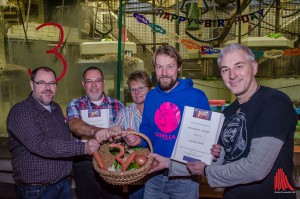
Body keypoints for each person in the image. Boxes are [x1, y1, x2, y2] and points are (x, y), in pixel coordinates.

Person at [150, 44, 298, 199]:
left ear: (254, 67)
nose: (232, 75)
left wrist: (206, 171)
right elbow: (216, 160)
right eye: (225, 69)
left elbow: (255, 169)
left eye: (238, 66)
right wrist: (168, 164)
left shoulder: (274, 102)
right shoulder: (228, 113)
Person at [126, 45, 218, 199]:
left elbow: (206, 135)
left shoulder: (197, 97)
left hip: (185, 177)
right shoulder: (151, 96)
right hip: (153, 173)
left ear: (179, 68)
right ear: (154, 69)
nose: (164, 73)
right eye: (159, 67)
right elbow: (146, 129)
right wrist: (138, 139)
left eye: (170, 67)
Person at [6, 66, 101, 199]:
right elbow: (40, 145)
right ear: (32, 85)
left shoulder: (55, 108)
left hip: (63, 184)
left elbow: (63, 140)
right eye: (42, 83)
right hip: (37, 189)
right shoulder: (21, 111)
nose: (48, 88)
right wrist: (83, 147)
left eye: (52, 83)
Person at [66, 66, 124, 199]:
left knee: (114, 196)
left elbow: (123, 133)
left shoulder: (117, 105)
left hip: (111, 159)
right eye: (89, 81)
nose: (93, 85)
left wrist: (120, 134)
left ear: (103, 83)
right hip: (84, 161)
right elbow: (74, 124)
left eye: (97, 81)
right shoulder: (75, 104)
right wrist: (95, 131)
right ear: (83, 84)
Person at [112, 70, 152, 199]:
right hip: (136, 171)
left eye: (141, 88)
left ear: (150, 89)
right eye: (133, 90)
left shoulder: (158, 110)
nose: (137, 93)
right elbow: (113, 135)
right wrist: (121, 134)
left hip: (157, 166)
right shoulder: (125, 113)